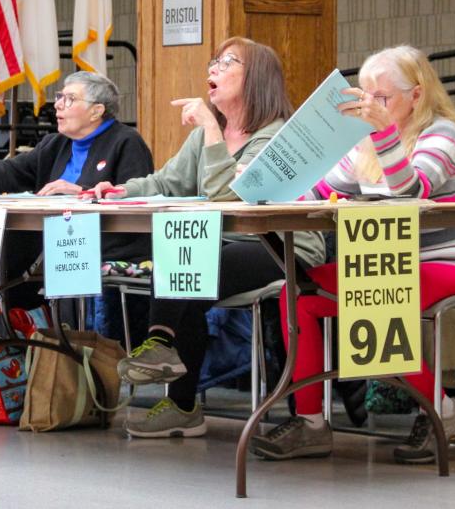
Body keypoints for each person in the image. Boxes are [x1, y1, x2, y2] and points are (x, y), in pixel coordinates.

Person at [251, 45, 455, 464]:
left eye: (382, 99)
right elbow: (322, 191)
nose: (371, 108)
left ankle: (444, 412)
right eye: (365, 98)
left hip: (452, 263)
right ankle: (310, 423)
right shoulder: (363, 143)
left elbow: (413, 192)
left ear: (416, 95)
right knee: (299, 295)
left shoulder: (443, 134)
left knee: (371, 300)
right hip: (385, 264)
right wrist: (265, 184)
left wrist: (382, 135)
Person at [87, 37, 326, 438]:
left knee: (193, 258)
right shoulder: (206, 136)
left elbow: (226, 195)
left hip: (284, 247)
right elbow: (169, 181)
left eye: (226, 61)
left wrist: (212, 128)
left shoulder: (276, 137)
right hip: (227, 246)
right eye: (213, 60)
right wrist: (120, 190)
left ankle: (165, 357)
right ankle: (178, 395)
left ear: (256, 78)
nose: (212, 68)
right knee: (185, 256)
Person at [0, 71, 154, 338]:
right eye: (59, 97)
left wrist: (82, 192)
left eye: (69, 99)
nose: (57, 104)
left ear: (97, 111)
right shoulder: (56, 143)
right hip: (48, 242)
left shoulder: (126, 141)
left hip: (100, 241)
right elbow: (15, 170)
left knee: (14, 249)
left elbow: (138, 198)